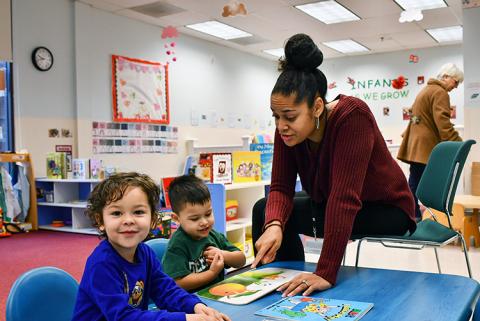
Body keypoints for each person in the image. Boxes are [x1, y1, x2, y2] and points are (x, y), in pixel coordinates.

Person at [251, 34, 416, 297]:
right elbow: (281, 187)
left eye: (290, 116)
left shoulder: (353, 116)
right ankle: (281, 282)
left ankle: (309, 285)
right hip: (331, 201)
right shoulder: (287, 131)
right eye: (276, 116)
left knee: (315, 213)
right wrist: (274, 225)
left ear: (317, 107)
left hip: (386, 209)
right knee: (265, 211)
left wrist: (325, 271)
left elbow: (344, 198)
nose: (281, 125)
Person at [72, 172, 230, 321]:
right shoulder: (102, 264)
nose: (128, 220)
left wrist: (195, 306)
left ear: (153, 219)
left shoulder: (145, 253)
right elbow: (122, 317)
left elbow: (166, 290)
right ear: (100, 222)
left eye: (138, 212)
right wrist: (184, 318)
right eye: (117, 213)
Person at [398, 63, 463, 221]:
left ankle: (413, 213)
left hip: (416, 145)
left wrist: (416, 130)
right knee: (425, 183)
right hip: (426, 146)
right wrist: (458, 143)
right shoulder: (440, 93)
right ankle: (416, 214)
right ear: (446, 77)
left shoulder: (425, 90)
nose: (456, 87)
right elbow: (443, 122)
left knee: (415, 181)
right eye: (456, 82)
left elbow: (414, 115)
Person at [162, 175, 246, 292]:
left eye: (208, 214)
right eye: (195, 218)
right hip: (192, 302)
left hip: (218, 294)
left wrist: (223, 254)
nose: (204, 222)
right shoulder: (177, 244)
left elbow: (241, 260)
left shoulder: (213, 235)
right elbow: (178, 283)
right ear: (176, 218)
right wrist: (212, 273)